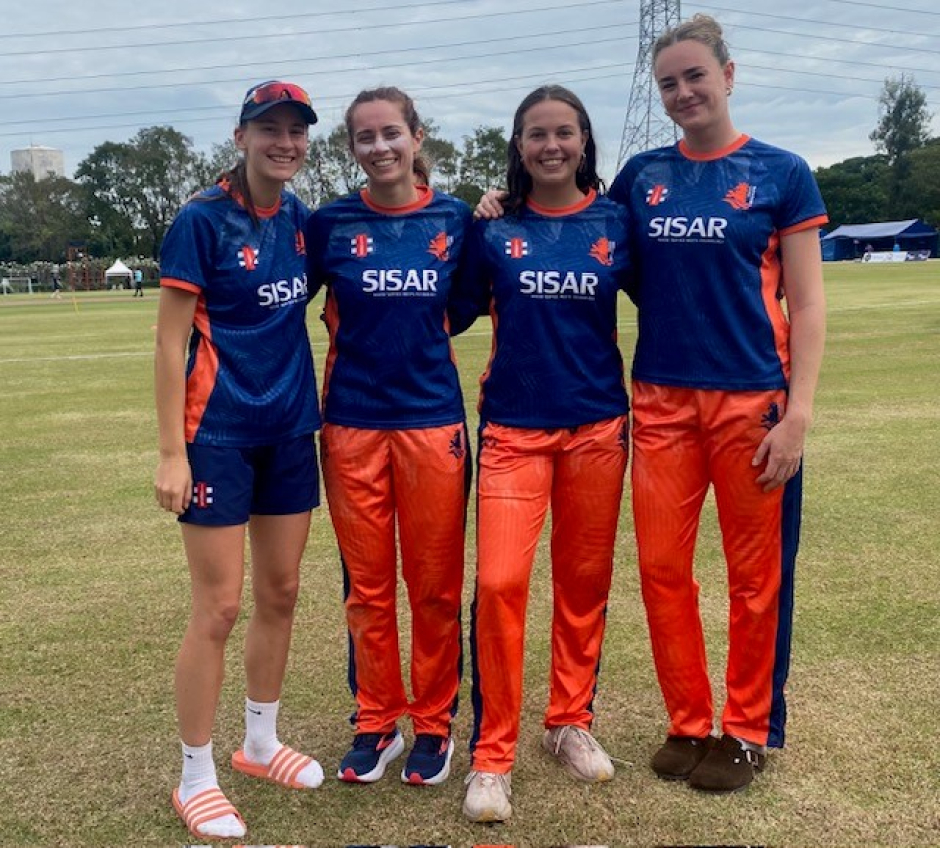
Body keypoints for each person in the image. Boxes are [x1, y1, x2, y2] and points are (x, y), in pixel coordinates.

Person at [607, 14, 827, 793]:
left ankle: (746, 728)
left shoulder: (782, 172)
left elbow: (805, 304)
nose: (682, 92)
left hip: (753, 403)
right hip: (662, 399)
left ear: (728, 76)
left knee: (755, 576)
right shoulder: (641, 177)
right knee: (664, 568)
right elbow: (597, 249)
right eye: (668, 82)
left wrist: (798, 415)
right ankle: (688, 719)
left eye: (695, 75)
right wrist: (505, 202)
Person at [154, 80, 324, 841]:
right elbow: (168, 341)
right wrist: (171, 453)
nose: (284, 142)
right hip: (215, 435)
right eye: (269, 130)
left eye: (295, 131)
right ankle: (196, 778)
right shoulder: (202, 219)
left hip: (290, 431)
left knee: (282, 593)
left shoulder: (298, 218)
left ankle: (260, 743)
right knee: (219, 608)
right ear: (241, 136)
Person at [459, 85, 632, 823]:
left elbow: (677, 298)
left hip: (597, 428)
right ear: (520, 146)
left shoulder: (617, 223)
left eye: (565, 132)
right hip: (513, 432)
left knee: (582, 583)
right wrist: (474, 216)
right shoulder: (494, 230)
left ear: (585, 141)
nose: (552, 145)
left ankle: (568, 722)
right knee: (499, 585)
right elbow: (445, 311)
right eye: (537, 134)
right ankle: (492, 756)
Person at [303, 87, 472, 788]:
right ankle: (376, 720)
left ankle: (433, 723)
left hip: (432, 422)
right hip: (350, 425)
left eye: (391, 133)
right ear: (352, 149)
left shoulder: (456, 218)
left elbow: (464, 306)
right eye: (365, 138)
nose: (380, 147)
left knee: (433, 586)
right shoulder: (329, 224)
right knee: (367, 589)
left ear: (416, 136)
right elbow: (292, 299)